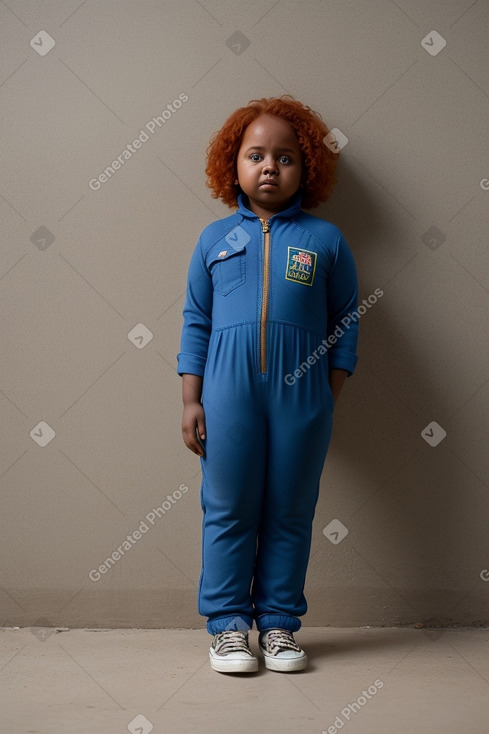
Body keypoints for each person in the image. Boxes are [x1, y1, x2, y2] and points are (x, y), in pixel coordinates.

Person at [177, 95, 359, 674]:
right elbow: (195, 322)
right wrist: (190, 399)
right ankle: (229, 626)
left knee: (290, 511)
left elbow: (346, 322)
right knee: (228, 507)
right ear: (233, 163)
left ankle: (279, 625)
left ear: (307, 168)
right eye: (256, 155)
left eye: (285, 157)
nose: (269, 167)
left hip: (303, 397)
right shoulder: (212, 240)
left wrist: (328, 396)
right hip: (226, 394)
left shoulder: (326, 240)